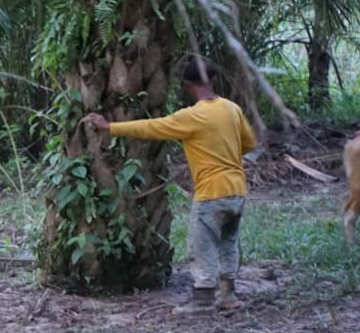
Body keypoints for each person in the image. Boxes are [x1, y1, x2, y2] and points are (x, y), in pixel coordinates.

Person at [84, 57, 258, 314]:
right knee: (228, 243)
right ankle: (228, 295)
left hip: (211, 192)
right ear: (213, 80)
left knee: (201, 245)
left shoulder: (191, 116)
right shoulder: (232, 109)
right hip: (237, 191)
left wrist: (109, 126)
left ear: (188, 85)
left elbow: (152, 127)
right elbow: (249, 144)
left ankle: (203, 300)